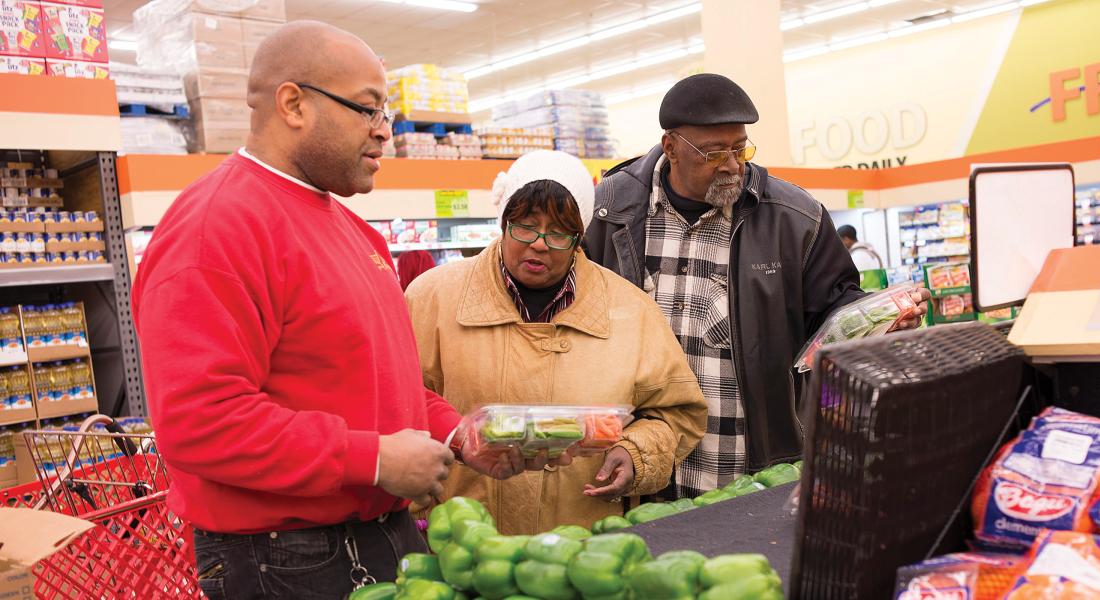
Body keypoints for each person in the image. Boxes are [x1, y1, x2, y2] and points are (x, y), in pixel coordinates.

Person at [132, 22, 543, 600]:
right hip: (283, 557)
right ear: (293, 104)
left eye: (388, 115)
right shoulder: (216, 227)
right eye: (367, 110)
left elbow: (376, 385)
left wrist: (458, 433)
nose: (385, 134)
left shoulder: (352, 230)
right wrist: (373, 460)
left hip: (380, 534)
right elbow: (200, 421)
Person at [586, 73, 931, 497]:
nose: (732, 164)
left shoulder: (795, 218)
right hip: (640, 465)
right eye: (713, 153)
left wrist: (879, 319)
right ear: (671, 147)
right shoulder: (612, 209)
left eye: (739, 147)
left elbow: (835, 309)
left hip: (750, 468)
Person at [405, 150, 707, 534]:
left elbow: (677, 414)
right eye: (525, 226)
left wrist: (633, 454)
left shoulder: (631, 311)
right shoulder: (432, 298)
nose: (539, 244)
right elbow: (399, 403)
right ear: (503, 223)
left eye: (559, 232)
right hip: (463, 539)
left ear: (579, 237)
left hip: (585, 544)